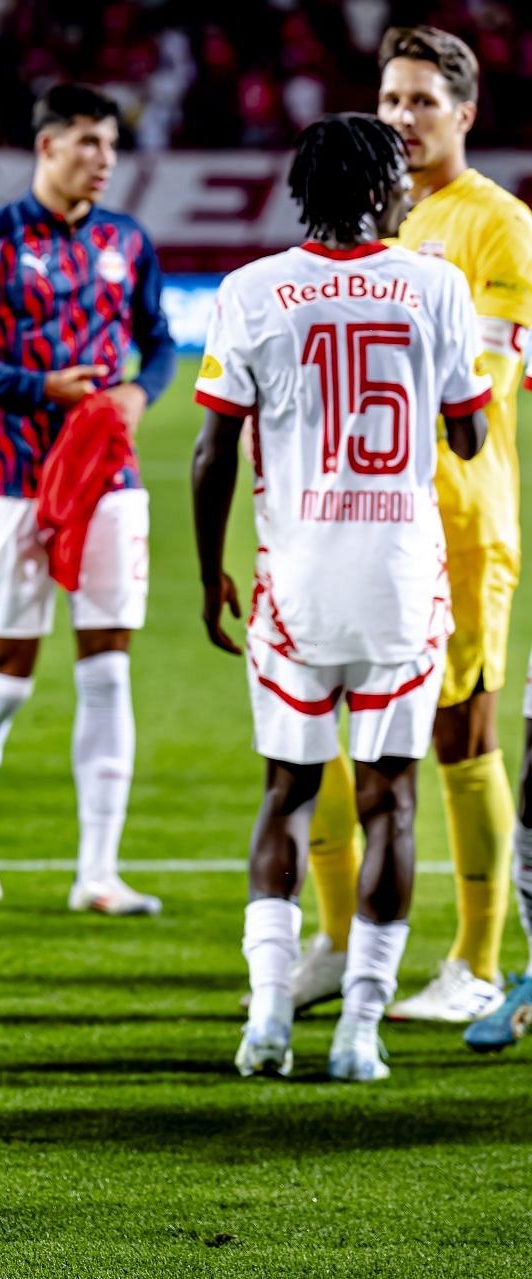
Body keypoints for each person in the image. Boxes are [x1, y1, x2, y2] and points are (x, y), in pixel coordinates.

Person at [192, 113, 490, 1081]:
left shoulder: (250, 291)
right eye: (399, 175)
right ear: (379, 188)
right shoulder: (436, 284)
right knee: (390, 798)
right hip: (401, 584)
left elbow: (210, 453)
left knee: (286, 791)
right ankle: (361, 1029)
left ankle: (269, 1017)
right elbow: (471, 433)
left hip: (297, 585)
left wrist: (210, 574)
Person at [286, 26, 532, 1030]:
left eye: (423, 101)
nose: (402, 118)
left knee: (457, 732)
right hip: (351, 525)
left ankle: (475, 960)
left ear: (465, 114)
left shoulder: (498, 226)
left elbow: (487, 388)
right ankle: (342, 944)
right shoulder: (368, 223)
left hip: (460, 521)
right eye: (390, 99)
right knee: (318, 729)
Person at [0, 83, 176, 913]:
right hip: (11, 477)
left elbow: (161, 342)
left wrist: (140, 394)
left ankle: (98, 872)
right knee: (8, 672)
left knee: (108, 666)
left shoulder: (127, 240)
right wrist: (43, 389)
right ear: (46, 148)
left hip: (110, 480)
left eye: (109, 145)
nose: (102, 160)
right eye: (85, 143)